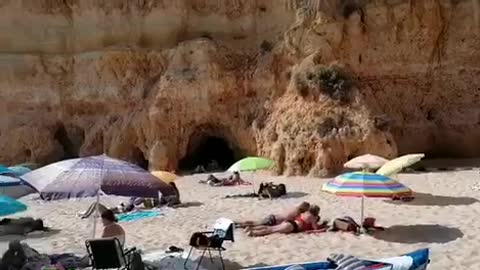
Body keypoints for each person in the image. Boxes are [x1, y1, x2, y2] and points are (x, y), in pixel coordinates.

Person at [246, 205, 322, 237]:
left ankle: (251, 228)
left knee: (269, 227)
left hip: (289, 222)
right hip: (291, 227)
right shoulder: (312, 217)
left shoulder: (304, 213)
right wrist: (322, 229)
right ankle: (253, 233)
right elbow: (315, 229)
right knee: (271, 230)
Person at [235, 201, 310, 228]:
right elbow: (289, 220)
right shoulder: (297, 213)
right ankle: (239, 226)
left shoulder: (294, 208)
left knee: (255, 222)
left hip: (273, 216)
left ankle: (239, 223)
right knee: (255, 224)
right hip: (274, 220)